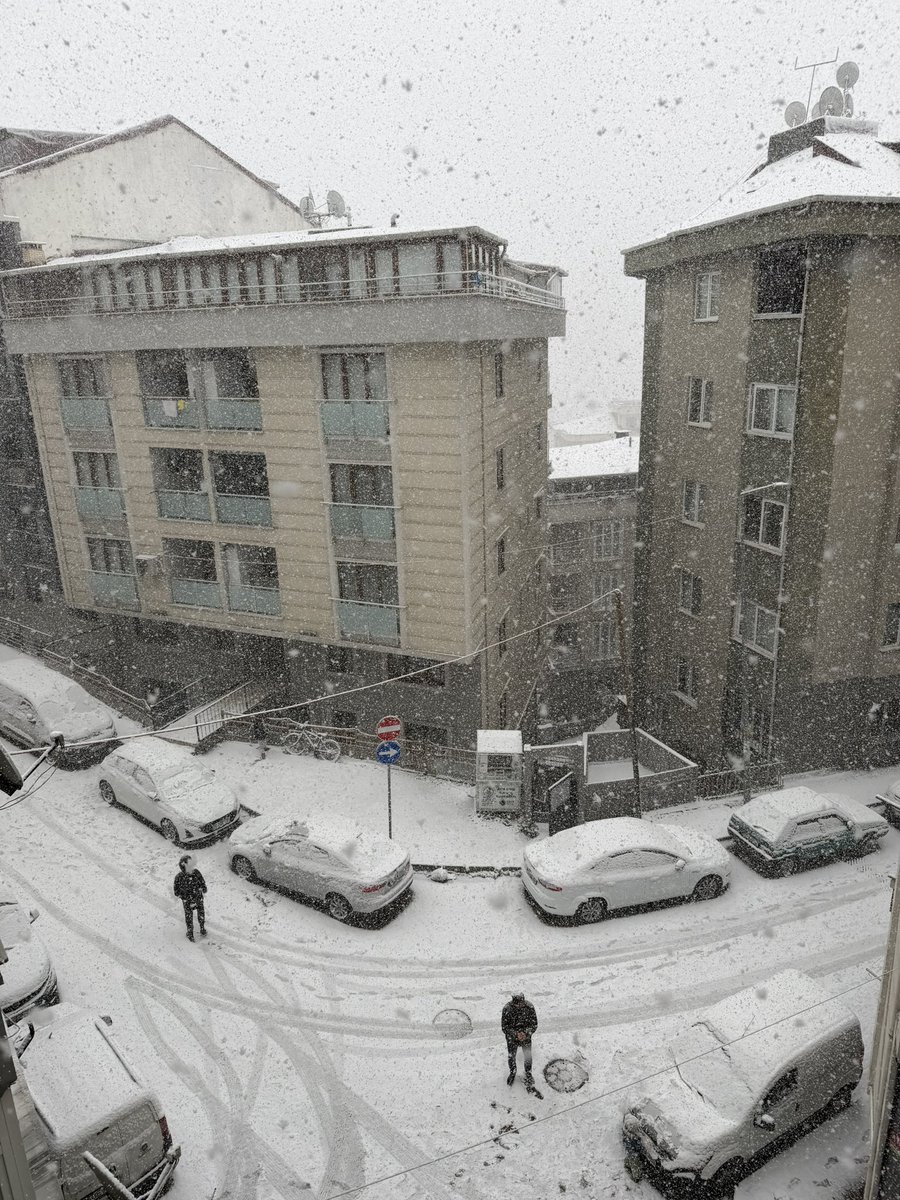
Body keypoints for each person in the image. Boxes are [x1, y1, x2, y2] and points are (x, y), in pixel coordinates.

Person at [501, 992, 538, 1086]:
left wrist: (526, 1033)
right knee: (511, 1056)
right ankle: (513, 1072)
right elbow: (505, 1027)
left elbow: (534, 1024)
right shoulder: (507, 1009)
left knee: (528, 1056)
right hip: (511, 1038)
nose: (520, 1005)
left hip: (526, 1037)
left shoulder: (529, 1007)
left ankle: (528, 1073)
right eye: (517, 1003)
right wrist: (515, 1034)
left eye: (521, 1003)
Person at [173, 854, 207, 941]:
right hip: (198, 898)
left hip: (187, 901)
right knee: (201, 913)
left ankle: (190, 933)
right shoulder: (196, 873)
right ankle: (202, 928)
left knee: (188, 917)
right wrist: (203, 889)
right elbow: (202, 883)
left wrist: (183, 896)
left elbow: (176, 892)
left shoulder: (178, 877)